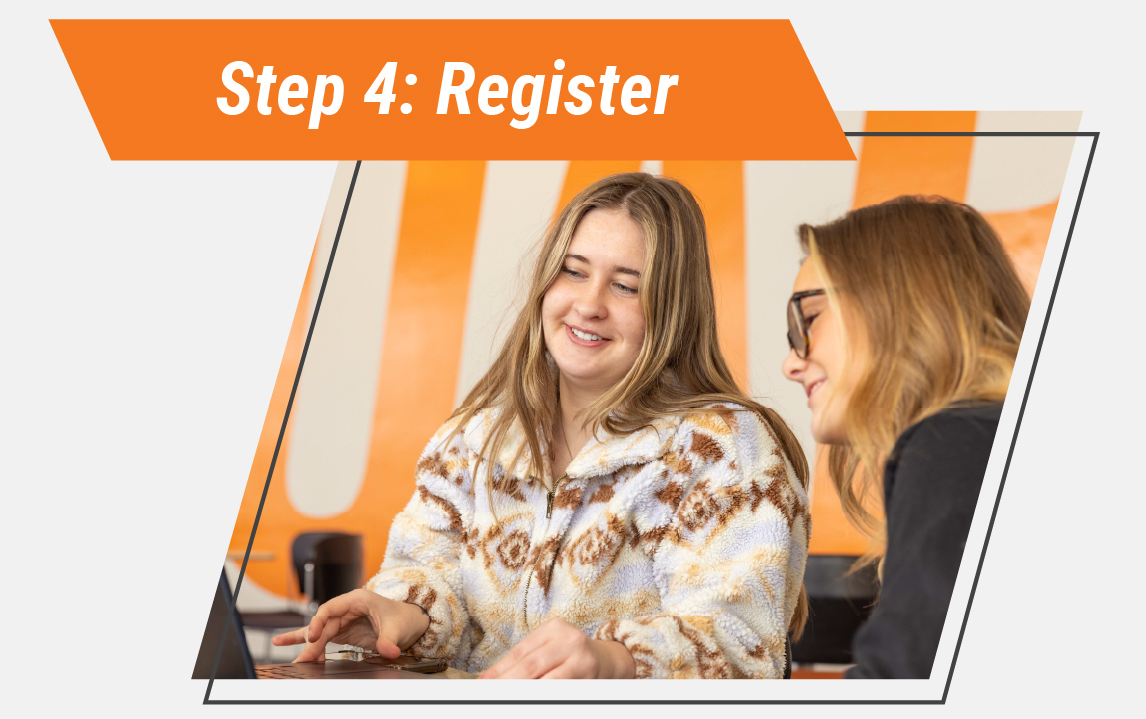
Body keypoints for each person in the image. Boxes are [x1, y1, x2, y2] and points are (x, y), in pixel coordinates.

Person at [274, 172, 811, 679]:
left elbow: (744, 645)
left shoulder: (725, 448)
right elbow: (429, 571)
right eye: (573, 272)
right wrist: (403, 611)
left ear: (672, 309)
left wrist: (614, 658)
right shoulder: (471, 440)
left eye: (626, 287)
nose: (588, 304)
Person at [781, 195, 1030, 679]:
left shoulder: (954, 442)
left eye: (806, 320)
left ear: (894, 300)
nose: (791, 362)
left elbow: (903, 684)